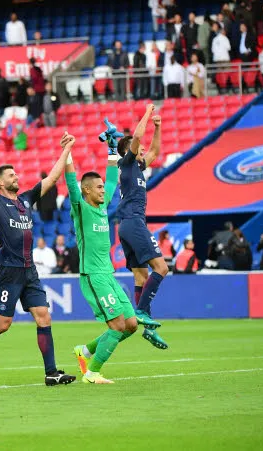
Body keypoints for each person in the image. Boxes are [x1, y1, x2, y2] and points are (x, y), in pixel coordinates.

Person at [0, 133, 77, 387]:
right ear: (0, 182)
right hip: (10, 272)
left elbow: (53, 178)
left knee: (44, 316)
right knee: (3, 325)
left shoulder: (26, 200)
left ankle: (51, 372)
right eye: (11, 175)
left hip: (29, 270)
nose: (16, 177)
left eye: (15, 174)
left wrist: (67, 149)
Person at [64, 132, 139, 384]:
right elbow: (71, 183)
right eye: (96, 188)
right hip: (93, 276)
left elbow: (111, 179)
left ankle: (84, 352)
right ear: (86, 190)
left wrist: (111, 149)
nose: (103, 191)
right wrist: (68, 151)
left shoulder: (102, 206)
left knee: (130, 324)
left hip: (108, 275)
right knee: (117, 325)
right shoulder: (81, 207)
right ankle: (92, 373)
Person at [115, 106, 169, 350]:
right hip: (133, 221)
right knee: (162, 267)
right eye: (139, 149)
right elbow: (137, 138)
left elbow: (156, 150)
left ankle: (146, 328)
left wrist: (157, 127)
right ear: (128, 151)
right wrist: (147, 113)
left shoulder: (137, 167)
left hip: (127, 224)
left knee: (141, 275)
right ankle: (142, 311)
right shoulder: (126, 163)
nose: (144, 149)